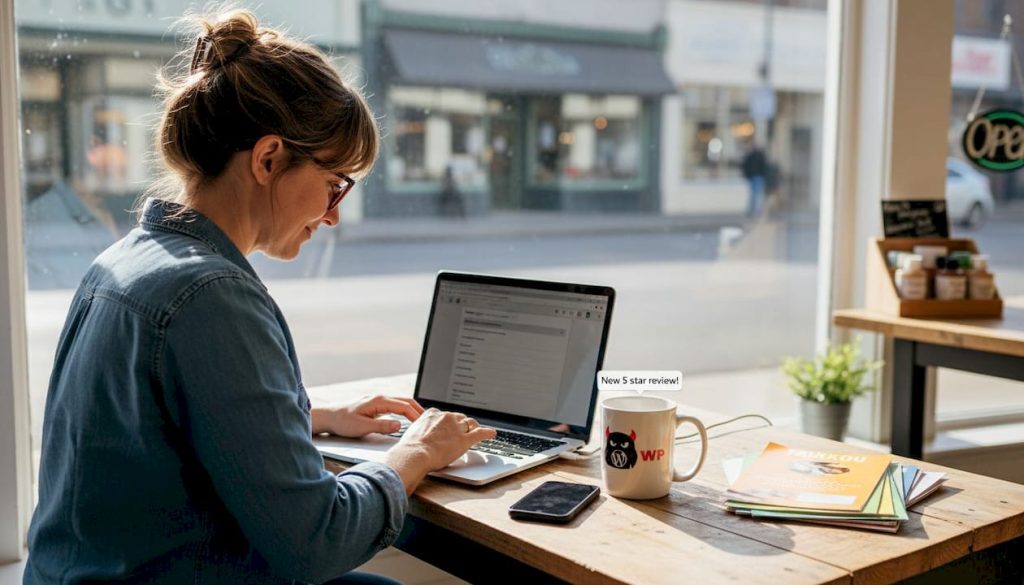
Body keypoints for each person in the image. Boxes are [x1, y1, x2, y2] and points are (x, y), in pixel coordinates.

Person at [23, 9, 496, 585]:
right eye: (333, 184)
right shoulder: (210, 295)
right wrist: (417, 452)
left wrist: (312, 416)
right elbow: (318, 541)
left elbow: (158, 429)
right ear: (269, 158)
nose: (333, 214)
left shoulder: (125, 262)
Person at [741, 143, 768, 218]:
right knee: (757, 194)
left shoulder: (751, 156)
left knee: (754, 194)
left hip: (755, 177)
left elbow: (745, 166)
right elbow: (764, 167)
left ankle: (754, 210)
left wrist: (747, 175)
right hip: (757, 177)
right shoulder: (759, 156)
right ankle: (756, 211)